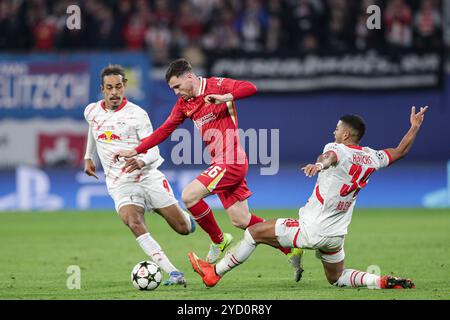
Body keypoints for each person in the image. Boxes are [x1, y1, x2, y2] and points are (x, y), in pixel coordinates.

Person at [188, 106, 428, 289]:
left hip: (312, 229)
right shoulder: (371, 157)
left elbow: (330, 156)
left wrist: (319, 165)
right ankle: (381, 281)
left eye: (336, 128)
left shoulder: (337, 149)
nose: (333, 131)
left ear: (345, 134)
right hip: (336, 235)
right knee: (336, 278)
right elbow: (400, 151)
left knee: (253, 233)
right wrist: (414, 127)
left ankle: (214, 272)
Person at [114, 58, 303, 280]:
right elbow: (164, 130)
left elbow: (250, 87)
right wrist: (136, 150)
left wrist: (226, 97)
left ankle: (219, 240)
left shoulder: (216, 85)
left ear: (190, 77)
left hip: (231, 160)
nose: (176, 92)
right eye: (172, 89)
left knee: (189, 196)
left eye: (177, 86)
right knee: (241, 220)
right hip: (220, 163)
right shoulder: (184, 103)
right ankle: (290, 244)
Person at [84, 64, 196, 286]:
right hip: (120, 183)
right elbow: (93, 128)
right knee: (133, 221)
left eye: (118, 87)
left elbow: (153, 150)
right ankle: (173, 272)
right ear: (102, 89)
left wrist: (141, 159)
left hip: (147, 175)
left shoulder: (137, 114)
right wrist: (88, 156)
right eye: (109, 88)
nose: (114, 92)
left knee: (183, 229)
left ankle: (181, 217)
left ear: (124, 86)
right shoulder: (91, 111)